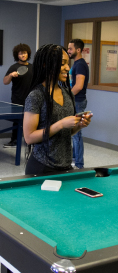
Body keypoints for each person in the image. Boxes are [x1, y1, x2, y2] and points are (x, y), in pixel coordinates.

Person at [24, 44, 92, 176]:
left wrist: (78, 125)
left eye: (68, 63)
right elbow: (29, 137)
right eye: (62, 64)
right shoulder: (36, 95)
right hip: (42, 167)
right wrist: (61, 124)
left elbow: (66, 132)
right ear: (45, 65)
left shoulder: (68, 93)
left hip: (65, 166)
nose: (67, 68)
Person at [3, 43, 33, 148]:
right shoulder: (14, 67)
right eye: (20, 54)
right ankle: (14, 141)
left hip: (31, 99)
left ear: (27, 54)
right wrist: (11, 75)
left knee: (32, 121)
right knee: (16, 121)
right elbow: (5, 82)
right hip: (17, 99)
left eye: (24, 53)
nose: (22, 55)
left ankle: (31, 140)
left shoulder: (33, 67)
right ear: (17, 55)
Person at [67, 39, 89, 169]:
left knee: (76, 133)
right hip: (75, 100)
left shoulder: (80, 64)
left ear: (78, 50)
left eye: (70, 49)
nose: (68, 51)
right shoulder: (76, 64)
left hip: (78, 101)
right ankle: (74, 158)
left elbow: (79, 86)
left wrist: (66, 97)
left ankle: (79, 164)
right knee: (73, 132)